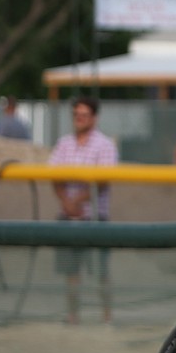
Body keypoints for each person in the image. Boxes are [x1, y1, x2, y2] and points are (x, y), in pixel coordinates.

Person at [49, 96, 118, 324]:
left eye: (84, 115)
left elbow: (103, 181)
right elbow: (53, 176)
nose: (79, 119)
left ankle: (106, 316)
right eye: (76, 115)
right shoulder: (64, 143)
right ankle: (73, 315)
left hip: (95, 217)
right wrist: (67, 201)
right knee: (71, 271)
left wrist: (77, 199)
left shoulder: (104, 145)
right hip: (68, 216)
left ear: (94, 118)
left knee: (102, 271)